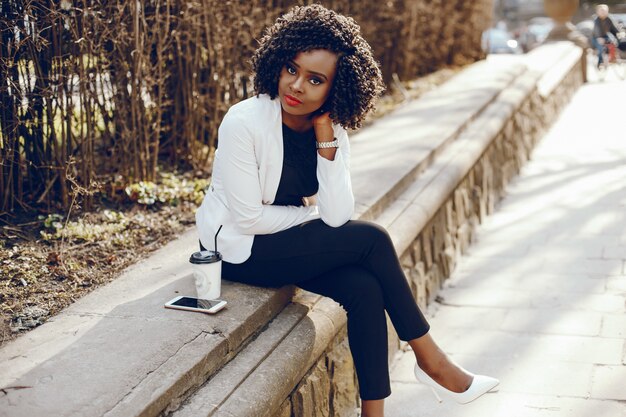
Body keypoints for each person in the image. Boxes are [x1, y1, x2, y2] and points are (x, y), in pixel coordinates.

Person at [195, 4, 499, 416]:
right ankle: (432, 361)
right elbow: (249, 218)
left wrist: (326, 141)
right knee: (371, 238)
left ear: (335, 89)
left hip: (281, 240)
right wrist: (311, 218)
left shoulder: (330, 128)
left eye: (315, 79)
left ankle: (375, 412)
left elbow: (337, 215)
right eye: (291, 68)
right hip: (239, 250)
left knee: (365, 289)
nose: (296, 85)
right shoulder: (243, 122)